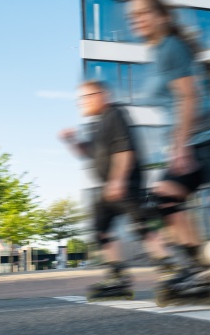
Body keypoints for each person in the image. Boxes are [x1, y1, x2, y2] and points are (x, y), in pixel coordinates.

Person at [126, 0, 210, 277]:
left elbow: (189, 96)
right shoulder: (159, 52)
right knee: (162, 199)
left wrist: (178, 148)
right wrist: (180, 145)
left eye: (144, 13)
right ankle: (196, 270)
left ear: (162, 17)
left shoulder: (169, 47)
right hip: (195, 143)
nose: (137, 19)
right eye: (133, 15)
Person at [58, 80, 172, 298]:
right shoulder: (99, 123)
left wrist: (118, 181)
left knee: (142, 227)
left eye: (86, 97)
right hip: (108, 187)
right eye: (80, 99)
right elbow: (90, 153)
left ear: (101, 95)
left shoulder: (114, 114)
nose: (82, 103)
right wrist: (73, 141)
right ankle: (118, 278)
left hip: (126, 183)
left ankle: (169, 271)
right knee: (100, 230)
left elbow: (124, 149)